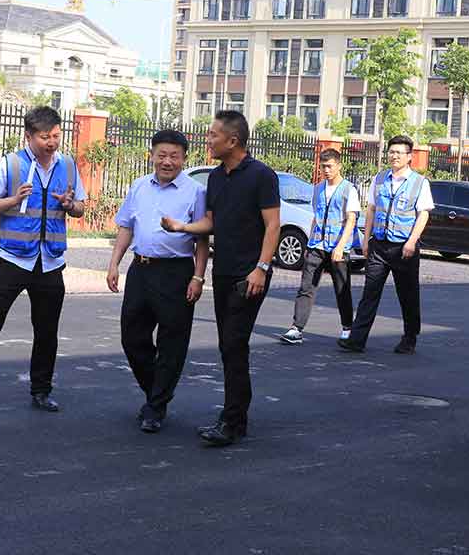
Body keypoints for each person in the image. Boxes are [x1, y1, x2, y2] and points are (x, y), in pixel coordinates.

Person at [0, 105, 86, 412]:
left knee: (47, 331)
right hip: (13, 259)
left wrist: (70, 205)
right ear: (29, 136)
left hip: (50, 261)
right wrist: (14, 200)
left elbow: (80, 208)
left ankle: (41, 390)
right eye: (44, 137)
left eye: (56, 136)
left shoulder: (67, 165)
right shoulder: (11, 164)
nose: (51, 142)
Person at [161, 110, 280, 446]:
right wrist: (182, 227)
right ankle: (235, 417)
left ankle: (231, 421)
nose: (208, 140)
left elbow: (273, 225)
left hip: (250, 275)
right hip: (224, 273)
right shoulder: (214, 177)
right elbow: (211, 222)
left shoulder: (261, 175)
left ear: (233, 140)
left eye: (213, 135)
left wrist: (262, 267)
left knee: (233, 343)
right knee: (229, 346)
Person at [106, 130, 210, 433]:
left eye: (174, 156)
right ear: (151, 155)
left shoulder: (195, 191)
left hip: (176, 273)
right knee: (132, 337)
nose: (167, 161)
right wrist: (114, 264)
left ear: (184, 158)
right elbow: (126, 227)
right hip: (140, 270)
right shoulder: (139, 186)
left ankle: (155, 407)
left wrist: (198, 277)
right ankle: (157, 393)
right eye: (162, 155)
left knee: (172, 343)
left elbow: (202, 239)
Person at [340, 135, 433, 354]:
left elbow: (423, 214)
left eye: (399, 153)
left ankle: (409, 338)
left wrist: (412, 242)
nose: (394, 156)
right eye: (391, 152)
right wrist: (366, 240)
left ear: (409, 157)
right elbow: (371, 210)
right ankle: (356, 339)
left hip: (404, 247)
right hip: (379, 246)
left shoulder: (419, 183)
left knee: (408, 295)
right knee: (369, 293)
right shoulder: (380, 179)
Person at [279, 148, 360, 345]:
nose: (326, 170)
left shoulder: (349, 189)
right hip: (317, 246)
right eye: (323, 166)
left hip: (338, 248)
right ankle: (296, 328)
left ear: (339, 166)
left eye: (330, 166)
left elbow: (351, 220)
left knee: (342, 289)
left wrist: (341, 247)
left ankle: (347, 328)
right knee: (306, 287)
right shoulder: (318, 189)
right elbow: (316, 217)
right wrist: (309, 244)